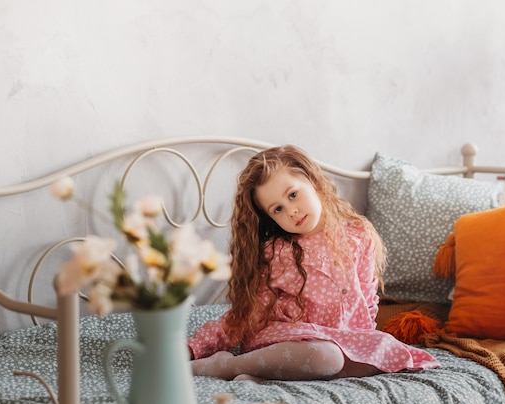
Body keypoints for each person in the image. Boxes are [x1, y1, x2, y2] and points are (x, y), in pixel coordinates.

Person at [187, 145, 439, 382]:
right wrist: (195, 347)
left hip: (342, 342)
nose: (292, 211)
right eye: (277, 209)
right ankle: (227, 366)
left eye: (293, 195)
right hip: (289, 339)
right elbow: (245, 315)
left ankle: (272, 374)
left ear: (312, 180)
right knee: (326, 358)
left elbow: (368, 299)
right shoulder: (277, 252)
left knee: (386, 353)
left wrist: (365, 343)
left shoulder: (358, 233)